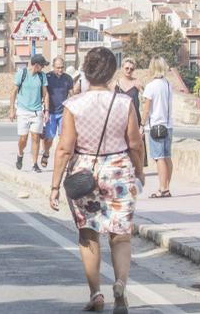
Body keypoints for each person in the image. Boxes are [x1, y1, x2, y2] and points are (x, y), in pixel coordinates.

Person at [48, 47, 145, 314]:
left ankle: (96, 293)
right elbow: (135, 143)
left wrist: (55, 185)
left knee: (88, 234)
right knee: (121, 236)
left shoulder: (73, 105)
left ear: (86, 71)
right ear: (112, 71)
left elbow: (65, 148)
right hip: (119, 172)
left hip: (85, 173)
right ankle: (120, 284)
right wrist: (139, 172)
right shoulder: (125, 103)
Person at [140, 57, 175, 199]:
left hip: (156, 126)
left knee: (159, 157)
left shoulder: (151, 86)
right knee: (167, 157)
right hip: (168, 125)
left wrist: (142, 125)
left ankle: (162, 189)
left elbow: (147, 109)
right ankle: (167, 186)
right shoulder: (168, 84)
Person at [8, 54, 50, 172]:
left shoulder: (42, 76)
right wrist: (12, 110)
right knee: (23, 139)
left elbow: (46, 94)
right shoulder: (22, 73)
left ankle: (34, 164)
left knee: (36, 137)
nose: (43, 68)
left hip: (37, 112)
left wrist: (46, 110)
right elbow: (13, 92)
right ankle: (20, 154)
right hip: (22, 111)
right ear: (36, 65)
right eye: (42, 66)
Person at [42, 56, 76, 169]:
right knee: (49, 138)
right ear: (53, 67)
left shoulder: (68, 79)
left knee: (64, 138)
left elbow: (72, 95)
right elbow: (43, 93)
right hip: (50, 112)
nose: (60, 70)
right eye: (58, 68)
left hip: (63, 113)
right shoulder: (47, 77)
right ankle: (46, 152)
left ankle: (62, 160)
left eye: (62, 67)